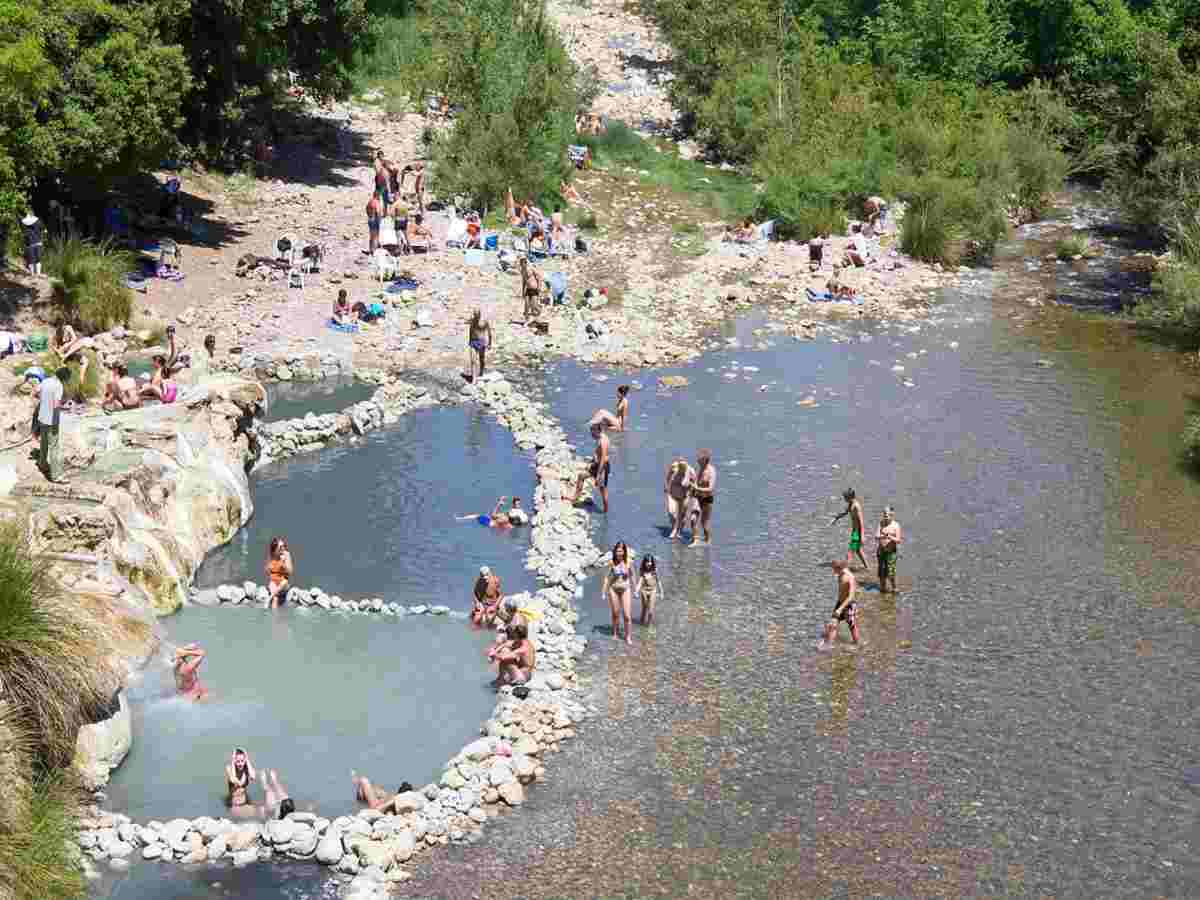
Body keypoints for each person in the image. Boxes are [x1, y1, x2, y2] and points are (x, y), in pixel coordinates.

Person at [35, 366, 69, 483]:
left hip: (42, 417)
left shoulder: (45, 381)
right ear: (64, 378)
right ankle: (56, 476)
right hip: (51, 420)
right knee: (54, 447)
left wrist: (44, 401)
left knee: (44, 442)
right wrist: (62, 408)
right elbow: (55, 404)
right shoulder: (58, 385)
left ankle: (42, 463)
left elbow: (36, 392)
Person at [570, 423, 611, 512]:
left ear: (597, 430)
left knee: (603, 490)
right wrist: (592, 461)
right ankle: (575, 499)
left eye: (592, 432)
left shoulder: (603, 441)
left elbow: (603, 458)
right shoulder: (600, 438)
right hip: (596, 464)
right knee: (581, 476)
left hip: (602, 467)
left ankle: (605, 511)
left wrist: (599, 475)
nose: (591, 434)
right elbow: (598, 452)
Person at [823, 560, 861, 646]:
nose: (833, 571)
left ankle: (857, 644)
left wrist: (840, 609)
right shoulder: (840, 573)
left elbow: (851, 597)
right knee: (833, 623)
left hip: (849, 605)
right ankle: (828, 645)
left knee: (852, 626)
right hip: (840, 602)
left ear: (839, 568)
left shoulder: (850, 577)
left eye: (834, 569)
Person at [603, 542, 634, 644]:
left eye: (621, 551)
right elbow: (607, 578)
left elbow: (633, 575)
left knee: (627, 615)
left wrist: (636, 590)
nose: (619, 553)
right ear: (615, 552)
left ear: (624, 551)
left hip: (626, 589)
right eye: (617, 551)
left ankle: (628, 636)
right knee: (616, 613)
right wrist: (603, 591)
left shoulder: (628, 562)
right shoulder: (612, 562)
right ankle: (615, 633)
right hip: (613, 589)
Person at [831, 488, 868, 571]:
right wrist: (836, 518)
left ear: (850, 497)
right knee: (858, 550)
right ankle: (867, 567)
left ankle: (845, 570)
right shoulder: (851, 504)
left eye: (845, 497)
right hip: (854, 531)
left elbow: (861, 521)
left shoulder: (856, 506)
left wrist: (862, 535)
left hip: (857, 532)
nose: (844, 499)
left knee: (850, 552)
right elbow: (845, 512)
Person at [488, 621, 535, 685]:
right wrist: (495, 650)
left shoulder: (523, 649)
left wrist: (494, 655)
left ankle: (506, 679)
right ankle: (500, 679)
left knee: (506, 660)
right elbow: (507, 644)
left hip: (523, 675)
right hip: (525, 671)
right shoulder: (525, 642)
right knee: (505, 650)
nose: (513, 635)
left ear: (517, 635)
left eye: (514, 634)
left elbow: (503, 658)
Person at [351, 772, 416, 812]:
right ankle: (359, 784)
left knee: (364, 780)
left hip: (377, 806)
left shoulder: (394, 799)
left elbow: (379, 808)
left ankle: (358, 783)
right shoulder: (392, 797)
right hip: (380, 803)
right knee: (366, 783)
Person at [664, 456, 695, 540]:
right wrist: (666, 485)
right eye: (680, 465)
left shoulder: (690, 470)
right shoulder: (674, 466)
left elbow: (694, 482)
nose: (681, 468)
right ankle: (674, 528)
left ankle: (678, 531)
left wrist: (691, 491)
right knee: (671, 512)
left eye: (683, 466)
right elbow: (668, 475)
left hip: (684, 495)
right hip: (672, 493)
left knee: (682, 515)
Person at [690, 449, 716, 547]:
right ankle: (695, 540)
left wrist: (697, 488)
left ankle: (708, 540)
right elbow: (696, 481)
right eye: (698, 460)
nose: (697, 461)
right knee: (693, 519)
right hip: (697, 497)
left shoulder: (711, 471)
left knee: (704, 523)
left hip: (707, 499)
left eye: (699, 460)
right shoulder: (699, 468)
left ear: (705, 460)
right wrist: (692, 489)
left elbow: (710, 488)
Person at [875, 507, 902, 594]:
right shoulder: (881, 523)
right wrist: (883, 536)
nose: (885, 516)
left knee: (891, 571)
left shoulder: (896, 525)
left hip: (891, 552)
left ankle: (894, 588)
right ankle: (883, 588)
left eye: (886, 515)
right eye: (884, 514)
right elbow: (876, 536)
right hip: (881, 551)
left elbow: (898, 540)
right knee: (881, 571)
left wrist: (890, 536)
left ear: (892, 515)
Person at [466, 307, 493, 382]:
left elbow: (489, 333)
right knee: (473, 360)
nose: (475, 316)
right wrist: (470, 340)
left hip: (481, 342)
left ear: (480, 315)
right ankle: (474, 378)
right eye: (474, 315)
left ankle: (481, 373)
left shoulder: (484, 322)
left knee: (482, 359)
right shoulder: (472, 321)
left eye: (477, 315)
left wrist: (490, 343)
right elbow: (470, 330)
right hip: (473, 342)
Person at [265, 536, 294, 608]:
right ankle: (274, 617)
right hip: (273, 581)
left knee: (283, 583)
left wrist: (283, 564)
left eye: (284, 546)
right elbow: (267, 571)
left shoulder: (286, 554)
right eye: (281, 547)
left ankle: (269, 598)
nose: (283, 548)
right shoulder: (271, 555)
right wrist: (269, 568)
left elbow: (290, 572)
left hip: (283, 582)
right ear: (275, 549)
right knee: (275, 598)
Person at [636, 554, 659, 626]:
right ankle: (641, 622)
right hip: (644, 591)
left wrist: (662, 591)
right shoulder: (642, 571)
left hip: (653, 591)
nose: (649, 563)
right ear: (644, 562)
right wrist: (636, 591)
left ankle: (649, 625)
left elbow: (658, 581)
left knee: (651, 611)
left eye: (650, 562)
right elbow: (640, 582)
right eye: (647, 562)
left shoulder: (655, 570)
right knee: (644, 609)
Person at [518, 257, 542, 322]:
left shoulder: (531, 268)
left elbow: (539, 277)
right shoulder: (522, 271)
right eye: (520, 264)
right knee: (526, 306)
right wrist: (523, 291)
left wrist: (539, 287)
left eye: (522, 264)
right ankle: (526, 320)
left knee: (534, 306)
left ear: (526, 263)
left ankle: (539, 312)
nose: (521, 265)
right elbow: (524, 281)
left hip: (535, 289)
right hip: (528, 289)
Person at [22, 211, 43, 277]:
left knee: (31, 259)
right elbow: (42, 229)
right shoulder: (38, 222)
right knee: (38, 259)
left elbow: (24, 233)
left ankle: (32, 274)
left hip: (30, 243)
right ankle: (38, 274)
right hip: (38, 242)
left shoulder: (25, 224)